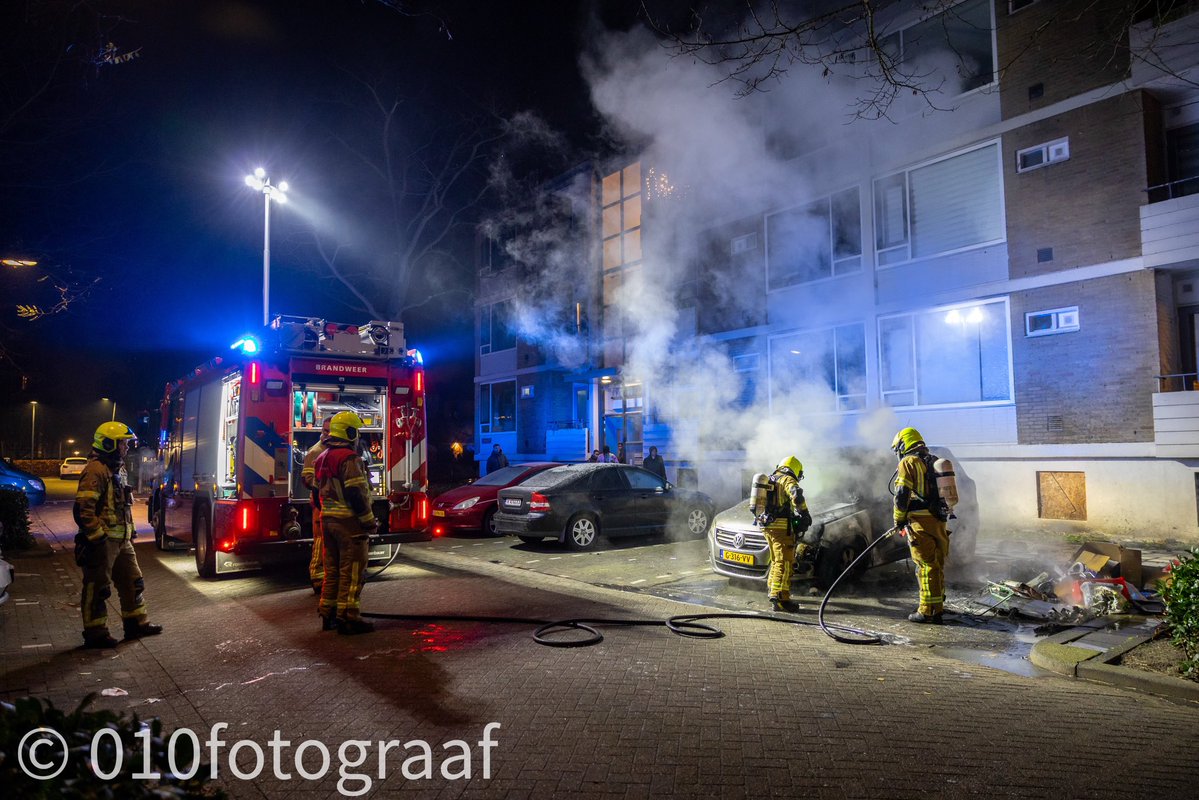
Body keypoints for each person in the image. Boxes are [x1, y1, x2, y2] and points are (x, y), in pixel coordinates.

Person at [75, 421, 163, 648]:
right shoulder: (96, 470)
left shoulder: (117, 468)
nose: (126, 447)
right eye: (122, 443)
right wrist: (97, 537)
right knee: (98, 587)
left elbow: (122, 504)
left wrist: (129, 530)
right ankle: (95, 633)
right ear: (108, 443)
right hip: (103, 542)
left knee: (133, 582)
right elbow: (84, 508)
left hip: (122, 540)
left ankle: (136, 624)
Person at [314, 411, 378, 635]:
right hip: (349, 524)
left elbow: (315, 493)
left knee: (332, 571)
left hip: (328, 522)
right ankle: (348, 618)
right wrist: (368, 520)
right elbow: (355, 491)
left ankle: (328, 613)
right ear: (350, 432)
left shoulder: (322, 457)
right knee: (352, 572)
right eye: (356, 431)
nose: (358, 436)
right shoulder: (349, 458)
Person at [891, 427, 950, 624]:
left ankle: (927, 611)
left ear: (902, 445)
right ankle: (938, 606)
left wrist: (898, 519)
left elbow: (901, 494)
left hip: (920, 522)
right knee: (936, 564)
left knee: (925, 565)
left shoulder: (908, 462)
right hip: (939, 521)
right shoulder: (933, 460)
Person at [755, 456, 812, 613]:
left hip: (767, 526)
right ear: (795, 469)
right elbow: (796, 495)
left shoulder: (772, 479)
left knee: (776, 561)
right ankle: (781, 599)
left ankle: (773, 592)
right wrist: (804, 513)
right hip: (781, 529)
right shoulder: (787, 480)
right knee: (785, 562)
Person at [300, 417, 332, 596]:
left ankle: (327, 577)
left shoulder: (334, 450)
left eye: (331, 430)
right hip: (319, 503)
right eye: (326, 430)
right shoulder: (316, 451)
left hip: (331, 503)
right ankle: (317, 578)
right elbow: (307, 478)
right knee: (320, 541)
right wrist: (322, 486)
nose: (328, 434)